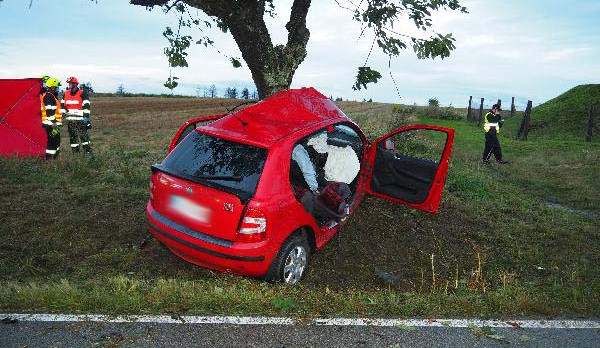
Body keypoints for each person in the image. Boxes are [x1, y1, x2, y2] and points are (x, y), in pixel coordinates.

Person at [62, 77, 92, 153]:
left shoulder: (82, 93)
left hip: (81, 120)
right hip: (71, 121)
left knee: (84, 138)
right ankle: (76, 154)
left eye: (70, 83)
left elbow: (87, 106)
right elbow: (62, 105)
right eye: (68, 83)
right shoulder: (66, 93)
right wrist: (64, 114)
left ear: (75, 84)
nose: (69, 85)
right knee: (73, 138)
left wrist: (86, 118)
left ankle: (87, 153)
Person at [41, 78, 63, 159]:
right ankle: (49, 158)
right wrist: (53, 122)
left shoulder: (52, 96)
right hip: (50, 124)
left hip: (53, 124)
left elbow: (55, 110)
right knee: (52, 141)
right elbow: (49, 110)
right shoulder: (49, 96)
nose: (58, 89)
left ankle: (54, 157)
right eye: (57, 87)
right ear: (52, 87)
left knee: (56, 140)